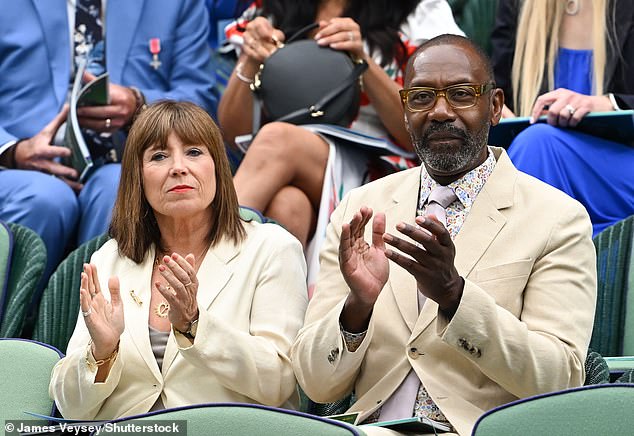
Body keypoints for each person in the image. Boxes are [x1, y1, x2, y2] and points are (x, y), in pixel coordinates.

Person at [291, 35, 597, 436]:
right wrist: (357, 309)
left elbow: (560, 379)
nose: (439, 112)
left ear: (495, 106)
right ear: (404, 111)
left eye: (461, 94)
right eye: (420, 97)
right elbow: (315, 383)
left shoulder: (557, 218)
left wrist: (455, 295)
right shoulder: (361, 209)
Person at [49, 101, 308, 419]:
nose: (178, 167)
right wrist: (101, 355)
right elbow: (72, 408)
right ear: (138, 179)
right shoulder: (110, 260)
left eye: (194, 152)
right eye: (159, 156)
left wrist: (195, 324)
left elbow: (279, 383)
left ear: (217, 166)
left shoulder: (272, 249)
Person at [218, 0, 463, 290]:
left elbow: (424, 129)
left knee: (275, 138)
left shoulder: (418, 11)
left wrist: (362, 62)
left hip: (383, 166)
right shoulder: (273, 9)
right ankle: (277, 322)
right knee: (288, 206)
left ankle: (210, 263)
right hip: (282, 166)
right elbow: (234, 134)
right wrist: (250, 59)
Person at [0, 0, 217, 293]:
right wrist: (12, 149)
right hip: (17, 165)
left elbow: (201, 99)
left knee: (120, 189)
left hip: (129, 159)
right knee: (44, 199)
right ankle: (13, 330)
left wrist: (140, 103)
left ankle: (94, 328)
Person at [491, 0, 634, 236]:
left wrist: (609, 104)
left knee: (538, 145)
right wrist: (492, 107)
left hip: (620, 168)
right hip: (539, 166)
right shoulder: (519, 5)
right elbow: (498, 85)